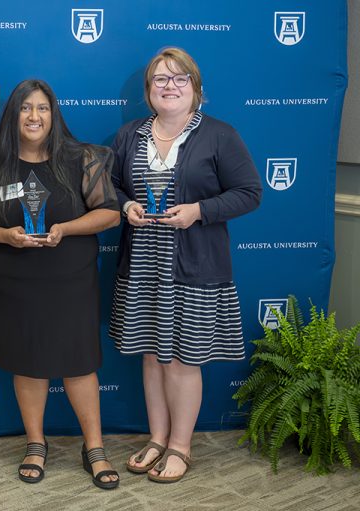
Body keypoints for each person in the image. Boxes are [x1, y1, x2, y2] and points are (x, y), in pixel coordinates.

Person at [109, 47, 262, 483]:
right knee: (152, 357)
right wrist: (127, 206)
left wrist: (200, 211)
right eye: (160, 79)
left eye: (180, 79)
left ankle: (180, 446)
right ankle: (156, 438)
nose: (170, 86)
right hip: (140, 267)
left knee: (181, 361)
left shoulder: (219, 135)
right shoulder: (128, 136)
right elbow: (110, 187)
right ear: (148, 91)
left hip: (194, 267)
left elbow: (250, 192)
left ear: (196, 89)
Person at [0, 79, 122, 490]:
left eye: (43, 108)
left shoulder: (82, 158)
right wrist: (5, 235)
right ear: (12, 115)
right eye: (25, 108)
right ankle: (35, 443)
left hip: (69, 279)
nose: (34, 117)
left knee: (79, 362)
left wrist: (64, 229)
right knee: (28, 362)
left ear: (54, 114)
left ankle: (95, 447)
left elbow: (109, 214)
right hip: (16, 281)